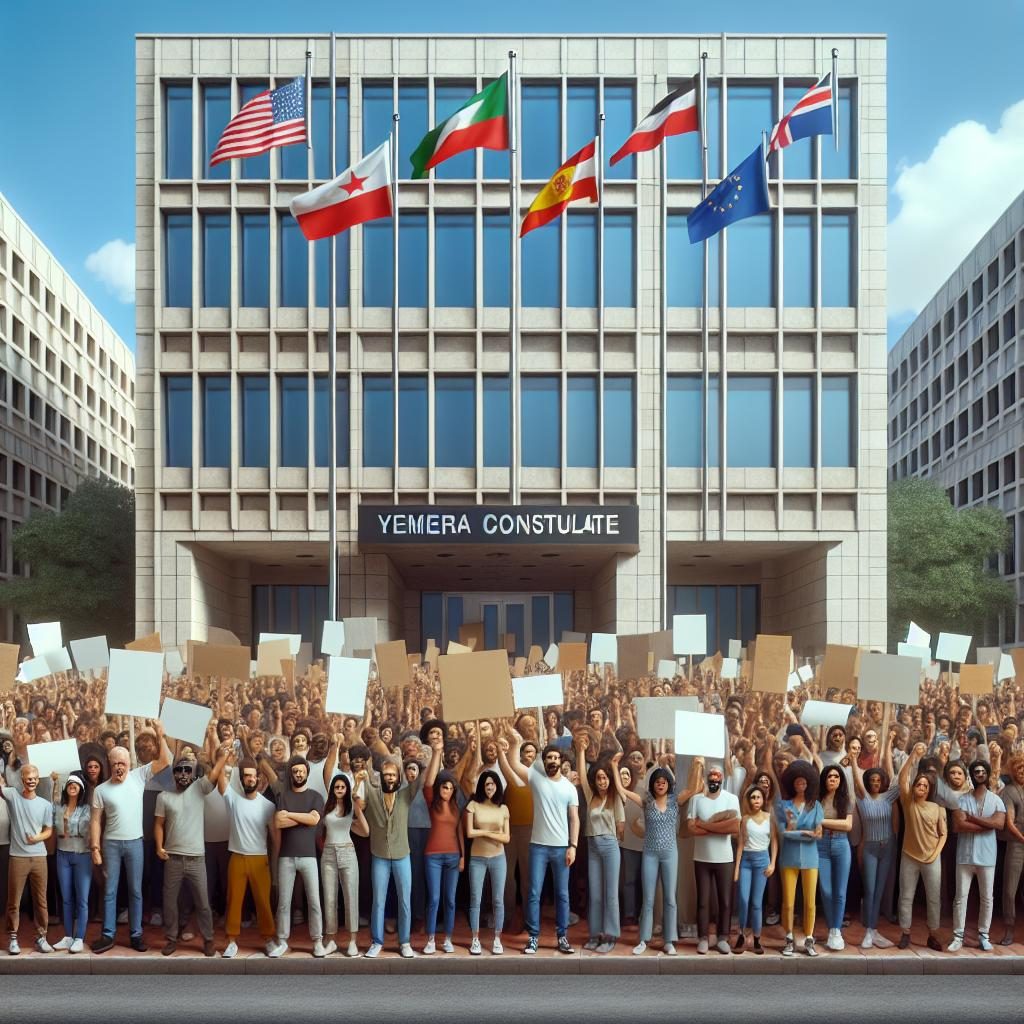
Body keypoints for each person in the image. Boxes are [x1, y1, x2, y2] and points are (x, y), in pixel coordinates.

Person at [90, 721, 171, 953]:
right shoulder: (101, 790)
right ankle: (108, 935)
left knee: (136, 891)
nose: (119, 767)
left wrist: (160, 734)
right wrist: (95, 848)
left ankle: (136, 935)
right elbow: (95, 820)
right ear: (109, 763)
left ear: (129, 763)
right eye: (115, 763)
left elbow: (165, 762)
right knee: (110, 890)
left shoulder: (139, 776)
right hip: (111, 845)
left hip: (135, 843)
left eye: (123, 763)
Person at [611, 753, 702, 956]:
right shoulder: (646, 801)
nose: (660, 785)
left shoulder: (674, 800)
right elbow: (621, 790)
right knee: (649, 899)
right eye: (657, 782)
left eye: (663, 782)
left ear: (668, 784)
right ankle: (644, 939)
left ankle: (669, 941)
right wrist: (614, 765)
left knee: (670, 898)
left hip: (670, 854)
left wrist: (697, 765)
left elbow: (694, 788)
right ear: (652, 784)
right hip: (650, 854)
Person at [504, 734, 580, 955]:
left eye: (556, 758)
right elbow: (514, 763)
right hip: (538, 847)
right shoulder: (536, 779)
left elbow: (574, 819)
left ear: (561, 761)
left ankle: (562, 936)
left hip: (561, 849)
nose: (553, 761)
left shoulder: (569, 788)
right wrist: (516, 741)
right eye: (549, 758)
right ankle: (533, 937)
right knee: (534, 893)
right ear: (544, 761)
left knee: (562, 894)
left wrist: (573, 846)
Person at [355, 754, 424, 958]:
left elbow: (419, 780)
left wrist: (411, 767)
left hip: (403, 855)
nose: (390, 778)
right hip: (380, 855)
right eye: (387, 774)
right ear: (381, 776)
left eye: (393, 774)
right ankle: (377, 942)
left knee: (404, 900)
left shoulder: (406, 794)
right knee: (379, 901)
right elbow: (357, 799)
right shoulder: (372, 791)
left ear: (398, 776)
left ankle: (405, 942)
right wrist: (359, 780)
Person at [216, 751, 279, 958]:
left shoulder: (267, 805)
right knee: (233, 901)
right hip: (237, 857)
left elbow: (274, 835)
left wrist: (275, 860)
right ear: (242, 779)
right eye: (246, 776)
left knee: (263, 901)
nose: (250, 779)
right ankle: (231, 942)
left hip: (260, 859)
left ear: (258, 779)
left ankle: (269, 939)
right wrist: (225, 757)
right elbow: (220, 779)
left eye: (253, 776)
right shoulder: (233, 799)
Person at [153, 755, 217, 957]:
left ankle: (208, 939)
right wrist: (158, 847)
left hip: (196, 858)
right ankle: (172, 938)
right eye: (179, 770)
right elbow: (158, 824)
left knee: (203, 903)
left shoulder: (199, 788)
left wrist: (223, 757)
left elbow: (214, 775)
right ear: (173, 773)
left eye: (187, 770)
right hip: (173, 858)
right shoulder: (163, 796)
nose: (183, 774)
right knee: (169, 901)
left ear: (193, 773)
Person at [270, 755, 325, 957]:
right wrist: (304, 817)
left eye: (302, 771)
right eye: (295, 771)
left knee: (314, 901)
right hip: (286, 857)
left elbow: (314, 819)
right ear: (291, 774)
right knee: (284, 902)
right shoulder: (283, 797)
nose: (298, 774)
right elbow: (278, 823)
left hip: (309, 856)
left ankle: (317, 942)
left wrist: (291, 815)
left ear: (307, 773)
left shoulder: (315, 796)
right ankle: (282, 941)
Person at [949, 759, 1005, 952]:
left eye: (983, 771)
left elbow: (999, 824)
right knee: (960, 897)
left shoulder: (996, 800)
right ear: (971, 775)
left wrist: (972, 819)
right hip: (964, 856)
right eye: (976, 771)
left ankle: (984, 935)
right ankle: (958, 935)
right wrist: (986, 824)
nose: (979, 774)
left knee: (987, 897)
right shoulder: (962, 799)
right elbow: (958, 825)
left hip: (987, 857)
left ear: (988, 774)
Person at [574, 732, 623, 953]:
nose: (602, 781)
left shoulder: (615, 798)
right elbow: (583, 775)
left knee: (610, 893)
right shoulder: (590, 795)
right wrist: (581, 751)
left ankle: (610, 935)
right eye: (599, 778)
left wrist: (614, 766)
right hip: (592, 846)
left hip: (610, 846)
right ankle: (595, 934)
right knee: (595, 893)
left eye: (605, 778)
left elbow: (620, 828)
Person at [896, 743, 946, 951]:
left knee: (934, 898)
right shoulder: (908, 803)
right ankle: (905, 933)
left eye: (926, 786)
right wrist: (913, 756)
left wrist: (935, 854)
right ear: (914, 786)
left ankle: (933, 935)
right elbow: (902, 778)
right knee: (906, 895)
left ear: (929, 789)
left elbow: (943, 834)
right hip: (909, 856)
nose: (922, 788)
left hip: (932, 858)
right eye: (919, 784)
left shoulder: (937, 808)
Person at [3, 763, 54, 954]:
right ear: (22, 779)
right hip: (18, 857)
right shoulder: (13, 797)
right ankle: (13, 938)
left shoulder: (45, 805)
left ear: (38, 779)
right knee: (13, 901)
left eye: (34, 777)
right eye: (27, 777)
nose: (31, 780)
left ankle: (41, 938)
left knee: (41, 901)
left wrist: (37, 838)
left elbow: (48, 830)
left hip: (39, 857)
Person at [689, 764, 740, 955]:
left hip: (725, 858)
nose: (714, 778)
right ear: (706, 778)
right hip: (701, 857)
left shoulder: (731, 799)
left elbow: (734, 827)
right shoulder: (696, 800)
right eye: (711, 775)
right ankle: (703, 937)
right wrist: (719, 825)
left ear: (722, 778)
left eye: (717, 775)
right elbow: (691, 828)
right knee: (703, 900)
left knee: (725, 901)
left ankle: (722, 937)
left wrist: (705, 824)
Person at [851, 752, 900, 949]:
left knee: (880, 890)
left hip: (888, 847)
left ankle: (873, 930)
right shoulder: (862, 799)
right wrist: (853, 760)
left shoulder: (889, 797)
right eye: (872, 779)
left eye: (879, 779)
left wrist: (913, 755)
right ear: (867, 782)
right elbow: (856, 779)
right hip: (870, 847)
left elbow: (899, 778)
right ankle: (868, 932)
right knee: (870, 889)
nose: (875, 782)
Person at [775, 761, 824, 956]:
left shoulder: (816, 806)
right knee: (788, 902)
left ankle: (809, 939)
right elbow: (784, 833)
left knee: (810, 902)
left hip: (811, 859)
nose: (801, 786)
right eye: (797, 783)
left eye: (804, 782)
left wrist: (798, 832)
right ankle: (788, 937)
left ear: (809, 784)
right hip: (788, 858)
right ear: (792, 784)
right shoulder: (784, 806)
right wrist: (806, 833)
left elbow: (818, 833)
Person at [422, 733, 464, 955]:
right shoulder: (432, 803)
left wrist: (463, 857)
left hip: (453, 856)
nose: (446, 791)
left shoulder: (457, 807)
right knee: (435, 898)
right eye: (443, 787)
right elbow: (428, 781)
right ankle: (430, 940)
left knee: (450, 899)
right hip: (433, 855)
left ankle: (447, 938)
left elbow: (459, 831)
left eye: (450, 788)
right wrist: (437, 752)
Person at [320, 772, 368, 957]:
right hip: (329, 852)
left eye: (342, 787)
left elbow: (365, 831)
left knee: (350, 897)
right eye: (337, 787)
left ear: (347, 789)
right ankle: (331, 940)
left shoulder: (351, 808)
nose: (339, 789)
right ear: (333, 789)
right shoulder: (328, 807)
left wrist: (358, 809)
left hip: (347, 851)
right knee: (330, 899)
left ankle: (352, 941)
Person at [464, 768, 510, 955]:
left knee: (498, 900)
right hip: (477, 859)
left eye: (492, 784)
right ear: (482, 787)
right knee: (476, 899)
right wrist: (491, 834)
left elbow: (507, 838)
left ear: (497, 786)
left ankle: (497, 939)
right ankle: (475, 939)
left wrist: (484, 833)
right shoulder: (472, 806)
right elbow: (469, 833)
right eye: (486, 784)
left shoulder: (503, 808)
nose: (489, 787)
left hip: (499, 858)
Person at [732, 783, 777, 954]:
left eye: (758, 797)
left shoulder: (769, 817)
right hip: (746, 862)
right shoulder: (745, 819)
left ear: (763, 799)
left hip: (762, 860)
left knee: (757, 903)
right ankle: (742, 935)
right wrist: (736, 868)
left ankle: (757, 939)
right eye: (753, 797)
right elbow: (741, 844)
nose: (756, 800)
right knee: (743, 900)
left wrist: (772, 863)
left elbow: (774, 841)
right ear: (749, 800)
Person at [50, 771, 91, 953]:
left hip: (82, 855)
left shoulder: (86, 809)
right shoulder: (59, 808)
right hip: (63, 855)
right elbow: (60, 833)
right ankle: (68, 936)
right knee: (66, 898)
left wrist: (66, 823)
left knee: (82, 899)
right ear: (66, 789)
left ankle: (79, 937)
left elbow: (83, 831)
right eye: (69, 785)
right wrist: (55, 783)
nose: (72, 787)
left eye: (76, 785)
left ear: (81, 789)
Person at [817, 763, 853, 951]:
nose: (833, 779)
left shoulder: (845, 799)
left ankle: (836, 931)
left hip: (841, 844)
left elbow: (848, 826)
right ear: (824, 779)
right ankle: (832, 928)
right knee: (826, 891)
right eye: (830, 776)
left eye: (837, 776)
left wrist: (822, 821)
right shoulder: (817, 799)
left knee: (840, 892)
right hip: (820, 845)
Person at [998, 753, 1024, 945]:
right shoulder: (1009, 791)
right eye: (1018, 769)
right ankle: (1009, 929)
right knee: (1010, 889)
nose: (1021, 772)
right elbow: (1009, 821)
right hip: (1017, 843)